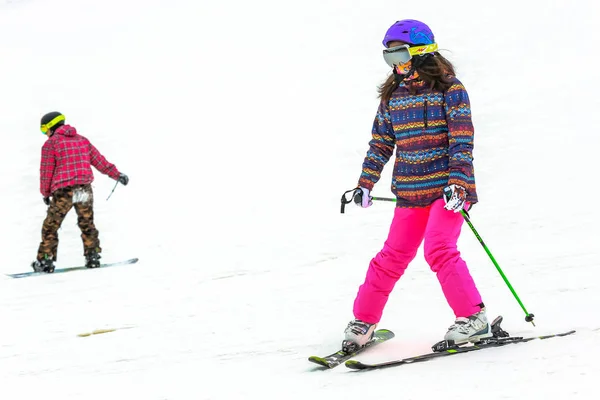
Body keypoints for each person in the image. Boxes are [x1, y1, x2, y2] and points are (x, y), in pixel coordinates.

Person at [343, 19, 491, 350]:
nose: (394, 65)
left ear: (420, 53)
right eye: (388, 58)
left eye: (398, 56)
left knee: (439, 248)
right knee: (390, 257)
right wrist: (365, 182)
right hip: (410, 192)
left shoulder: (451, 91)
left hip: (448, 190)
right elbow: (381, 142)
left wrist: (458, 182)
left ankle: (473, 319)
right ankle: (363, 322)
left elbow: (461, 141)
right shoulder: (393, 97)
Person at [31, 112, 129, 273]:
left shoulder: (51, 144)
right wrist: (117, 175)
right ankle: (93, 256)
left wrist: (45, 193)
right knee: (87, 223)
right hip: (84, 189)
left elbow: (46, 171)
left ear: (50, 127)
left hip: (64, 191)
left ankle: (45, 261)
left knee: (51, 226)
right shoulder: (82, 141)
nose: (44, 134)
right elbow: (99, 161)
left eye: (44, 129)